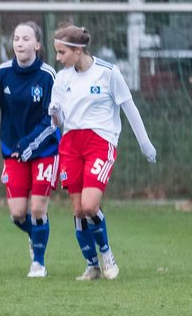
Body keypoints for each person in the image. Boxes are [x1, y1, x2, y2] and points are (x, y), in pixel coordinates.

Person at [49, 22, 157, 281]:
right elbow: (59, 121)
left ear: (77, 50)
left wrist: (145, 143)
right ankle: (92, 265)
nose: (57, 58)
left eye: (62, 52)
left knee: (89, 205)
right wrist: (54, 114)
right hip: (71, 144)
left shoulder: (108, 73)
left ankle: (107, 253)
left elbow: (130, 109)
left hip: (100, 143)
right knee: (77, 210)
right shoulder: (61, 78)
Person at [0, 21, 58, 278]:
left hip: (43, 150)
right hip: (14, 151)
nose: (19, 43)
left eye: (26, 38)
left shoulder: (48, 75)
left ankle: (38, 263)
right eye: (16, 38)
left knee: (37, 210)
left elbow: (50, 120)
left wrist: (29, 144)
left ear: (37, 45)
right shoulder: (1, 74)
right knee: (18, 214)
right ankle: (36, 237)